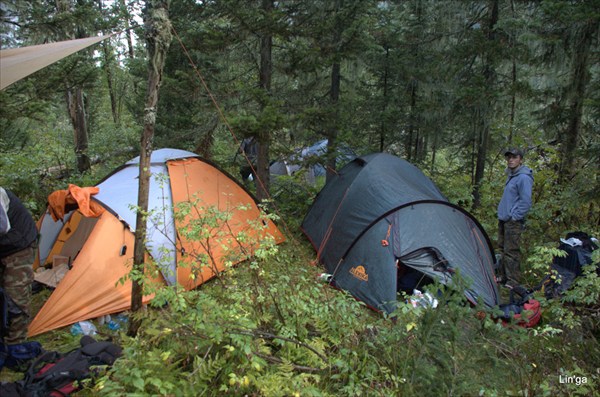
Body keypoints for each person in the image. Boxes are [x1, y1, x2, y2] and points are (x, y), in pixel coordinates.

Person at [0, 187, 38, 344]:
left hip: (19, 245)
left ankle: (16, 345)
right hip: (3, 246)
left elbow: (2, 227)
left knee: (15, 295)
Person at [497, 148, 533, 288]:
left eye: (514, 157)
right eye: (509, 157)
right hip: (504, 219)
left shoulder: (523, 177)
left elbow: (526, 201)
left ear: (520, 159)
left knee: (512, 251)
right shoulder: (512, 175)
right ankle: (504, 277)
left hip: (512, 221)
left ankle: (514, 282)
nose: (511, 160)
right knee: (503, 249)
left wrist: (514, 217)